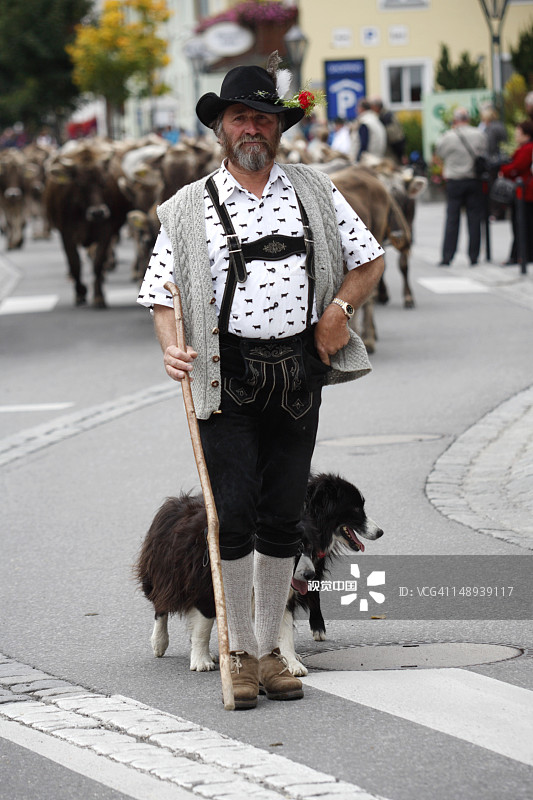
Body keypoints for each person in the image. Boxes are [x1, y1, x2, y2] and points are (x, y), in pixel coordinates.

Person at [137, 60, 385, 709]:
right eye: (241, 117)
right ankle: (240, 651)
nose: (253, 127)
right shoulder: (188, 207)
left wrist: (339, 312)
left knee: (282, 518)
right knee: (233, 517)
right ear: (222, 127)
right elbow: (162, 291)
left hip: (300, 374)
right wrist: (172, 347)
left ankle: (274, 652)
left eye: (264, 118)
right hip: (228, 376)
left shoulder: (315, 190)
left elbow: (369, 258)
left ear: (278, 127)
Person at [435, 107, 488, 266]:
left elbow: (440, 153)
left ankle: (447, 256)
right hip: (473, 180)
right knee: (474, 219)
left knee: (452, 219)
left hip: (454, 181)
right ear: (468, 118)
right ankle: (474, 256)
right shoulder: (479, 134)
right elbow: (483, 151)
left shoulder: (447, 136)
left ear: (455, 120)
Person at [499, 119, 533, 265]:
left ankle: (520, 256)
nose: (515, 136)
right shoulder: (524, 147)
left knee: (521, 225)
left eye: (518, 133)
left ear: (526, 134)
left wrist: (504, 170)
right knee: (522, 225)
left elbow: (517, 167)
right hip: (523, 191)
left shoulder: (527, 148)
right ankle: (521, 255)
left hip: (525, 192)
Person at [370, 98, 406, 163]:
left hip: (391, 154)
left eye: (372, 107)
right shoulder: (383, 116)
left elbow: (395, 138)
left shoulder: (386, 117)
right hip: (389, 153)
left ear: (376, 107)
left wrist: (401, 155)